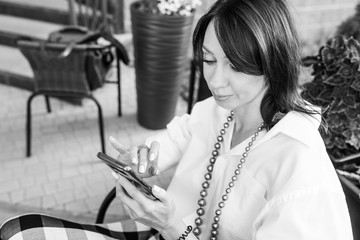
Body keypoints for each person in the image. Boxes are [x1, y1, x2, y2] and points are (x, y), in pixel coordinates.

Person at [0, 0, 354, 239]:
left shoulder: (298, 162)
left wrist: (171, 225)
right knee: (18, 231)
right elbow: (177, 138)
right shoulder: (215, 112)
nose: (215, 81)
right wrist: (145, 160)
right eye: (209, 60)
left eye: (235, 66)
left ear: (272, 62)